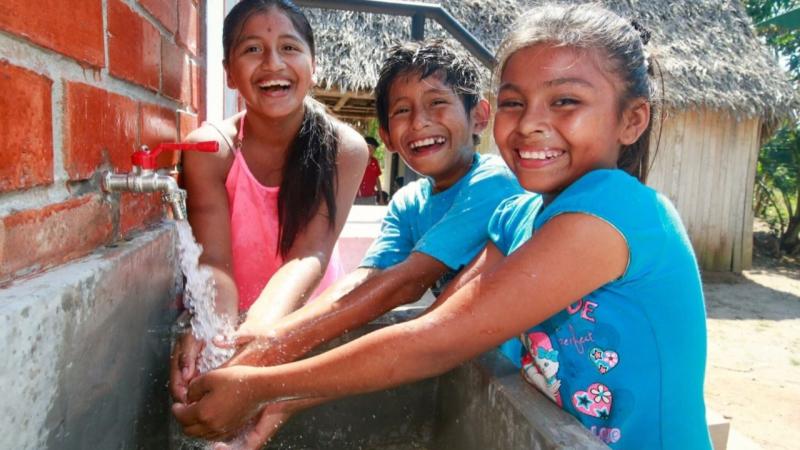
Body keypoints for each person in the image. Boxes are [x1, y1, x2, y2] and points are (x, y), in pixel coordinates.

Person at [177, 5, 713, 447]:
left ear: (631, 119)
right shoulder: (517, 216)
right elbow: (437, 319)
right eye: (515, 102)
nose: (530, 123)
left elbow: (435, 341)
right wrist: (282, 395)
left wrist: (263, 382)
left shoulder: (615, 210)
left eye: (565, 101)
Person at [174, 38, 523, 447]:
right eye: (402, 111)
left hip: (510, 374)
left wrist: (266, 358)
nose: (419, 122)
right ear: (387, 136)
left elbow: (403, 285)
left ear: (479, 116)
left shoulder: (493, 183)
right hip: (460, 360)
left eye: (437, 103)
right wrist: (263, 342)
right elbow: (365, 282)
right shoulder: (410, 202)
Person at [169, 0, 367, 413]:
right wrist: (216, 332)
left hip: (306, 321)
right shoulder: (210, 150)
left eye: (289, 48)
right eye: (253, 49)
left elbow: (310, 253)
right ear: (228, 73)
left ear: (313, 65)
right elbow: (215, 263)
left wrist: (260, 331)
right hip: (231, 311)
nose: (273, 63)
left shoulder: (344, 149)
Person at [355, 136, 383, 204]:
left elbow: (377, 179)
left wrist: (381, 196)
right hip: (356, 197)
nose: (372, 149)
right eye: (370, 146)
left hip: (371, 197)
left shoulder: (375, 162)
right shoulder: (356, 160)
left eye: (374, 148)